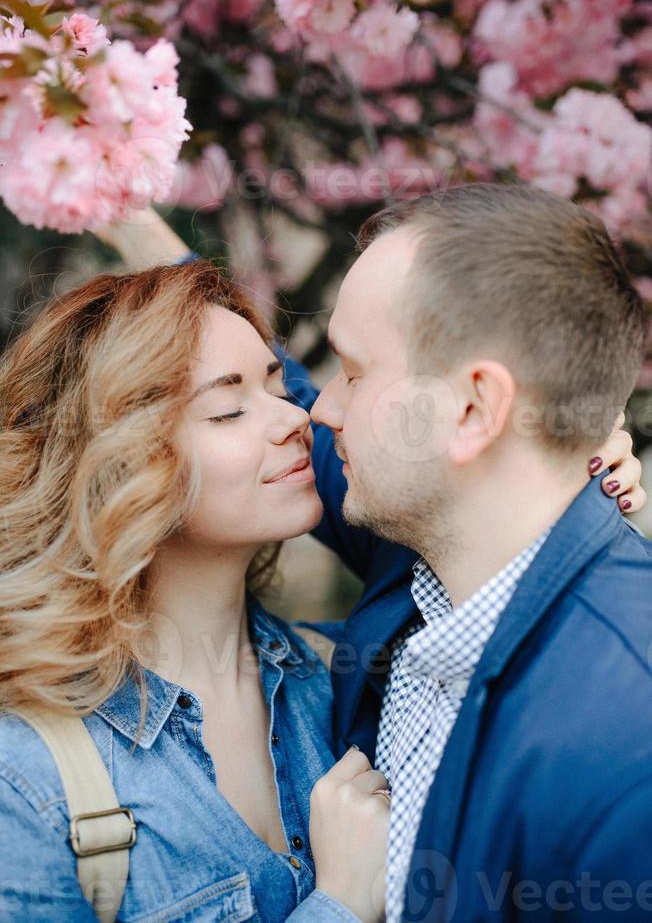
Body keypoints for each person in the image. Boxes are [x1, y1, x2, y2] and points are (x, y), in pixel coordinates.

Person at [95, 183, 648, 923]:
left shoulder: (624, 740)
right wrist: (105, 190)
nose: (314, 413)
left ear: (474, 410)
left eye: (352, 374)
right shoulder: (414, 552)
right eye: (233, 409)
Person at [0, 259, 390, 922]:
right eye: (229, 408)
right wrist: (342, 906)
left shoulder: (342, 684)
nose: (295, 420)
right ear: (119, 462)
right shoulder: (26, 773)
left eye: (276, 385)